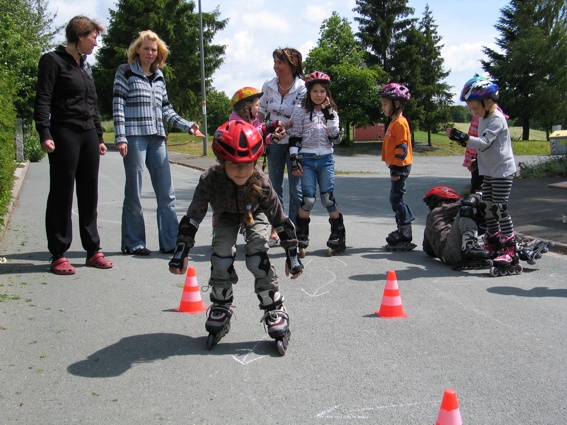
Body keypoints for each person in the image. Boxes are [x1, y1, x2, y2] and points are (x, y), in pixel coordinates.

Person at [168, 120, 304, 355]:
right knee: (221, 256)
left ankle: (274, 305)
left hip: (257, 212)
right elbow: (193, 216)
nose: (241, 170)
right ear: (221, 162)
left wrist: (292, 254)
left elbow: (279, 219)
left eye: (247, 164)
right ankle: (221, 304)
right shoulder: (211, 178)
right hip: (226, 214)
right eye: (234, 165)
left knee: (256, 256)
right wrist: (181, 251)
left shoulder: (260, 181)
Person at [34, 16, 113, 275]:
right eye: (93, 37)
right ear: (79, 36)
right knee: (62, 192)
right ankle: (58, 253)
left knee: (89, 192)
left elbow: (93, 103)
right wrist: (44, 132)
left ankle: (93, 250)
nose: (96, 43)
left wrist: (100, 137)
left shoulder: (85, 66)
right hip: (64, 131)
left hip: (88, 133)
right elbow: (43, 98)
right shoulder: (52, 61)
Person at [113, 30, 204, 256]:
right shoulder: (125, 72)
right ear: (137, 50)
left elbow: (166, 109)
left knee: (167, 193)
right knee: (134, 192)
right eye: (146, 48)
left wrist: (188, 125)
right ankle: (134, 243)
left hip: (157, 137)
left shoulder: (159, 76)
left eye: (154, 50)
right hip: (134, 137)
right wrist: (120, 137)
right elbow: (118, 106)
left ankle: (170, 242)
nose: (150, 53)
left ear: (158, 53)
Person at [447, 77, 518, 272]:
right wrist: (472, 156)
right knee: (486, 207)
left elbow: (485, 143)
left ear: (488, 102)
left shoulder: (497, 119)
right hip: (488, 171)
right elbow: (481, 147)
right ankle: (493, 241)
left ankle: (510, 247)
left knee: (499, 208)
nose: (473, 113)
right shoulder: (484, 118)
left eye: (475, 108)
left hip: (502, 171)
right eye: (471, 109)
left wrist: (464, 138)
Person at [288, 71, 345, 256]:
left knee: (328, 198)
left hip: (326, 160)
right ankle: (301, 236)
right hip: (307, 160)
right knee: (308, 200)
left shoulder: (333, 113)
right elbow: (295, 136)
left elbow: (336, 138)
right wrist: (294, 160)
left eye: (322, 91)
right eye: (315, 91)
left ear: (327, 93)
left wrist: (329, 117)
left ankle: (338, 235)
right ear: (309, 93)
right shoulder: (300, 111)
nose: (319, 94)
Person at [258, 47, 306, 246]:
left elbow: (300, 115)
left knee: (296, 189)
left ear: (292, 65)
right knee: (274, 187)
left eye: (280, 62)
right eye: (275, 62)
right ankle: (276, 229)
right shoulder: (268, 85)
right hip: (275, 141)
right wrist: (255, 129)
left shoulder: (303, 87)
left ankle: (292, 227)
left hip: (295, 141)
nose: (276, 66)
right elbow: (260, 110)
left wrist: (284, 126)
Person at [229, 87, 286, 246]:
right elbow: (252, 133)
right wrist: (270, 126)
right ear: (245, 107)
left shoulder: (254, 121)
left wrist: (273, 138)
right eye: (256, 105)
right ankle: (219, 227)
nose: (259, 108)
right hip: (238, 169)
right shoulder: (235, 122)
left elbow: (260, 137)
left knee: (253, 196)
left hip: (251, 168)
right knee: (233, 198)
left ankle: (249, 226)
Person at [378, 82, 416, 251]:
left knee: (396, 198)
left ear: (397, 104)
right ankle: (402, 229)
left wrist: (397, 169)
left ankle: (405, 232)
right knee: (395, 198)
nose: (383, 107)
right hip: (397, 167)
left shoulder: (400, 123)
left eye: (385, 104)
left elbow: (402, 147)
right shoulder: (394, 122)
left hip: (400, 167)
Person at [422, 186, 490, 268]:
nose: (452, 204)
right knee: (466, 210)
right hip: (451, 249)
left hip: (446, 257)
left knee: (486, 236)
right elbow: (466, 203)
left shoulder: (430, 223)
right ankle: (469, 246)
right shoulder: (439, 210)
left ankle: (482, 246)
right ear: (440, 203)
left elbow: (428, 250)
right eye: (451, 202)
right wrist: (478, 195)